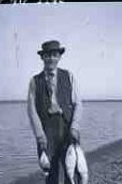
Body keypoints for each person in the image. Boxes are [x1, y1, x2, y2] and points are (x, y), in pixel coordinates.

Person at [27, 40, 83, 184]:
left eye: (54, 54)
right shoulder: (34, 81)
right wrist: (40, 136)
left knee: (72, 172)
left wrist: (75, 127)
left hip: (67, 128)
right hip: (46, 132)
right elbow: (31, 110)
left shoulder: (69, 76)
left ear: (59, 57)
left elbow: (78, 104)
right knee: (50, 175)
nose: (51, 58)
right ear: (42, 58)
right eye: (47, 55)